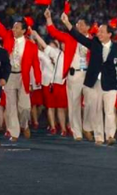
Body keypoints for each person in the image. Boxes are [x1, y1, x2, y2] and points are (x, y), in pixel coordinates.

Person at [61, 13, 117, 145]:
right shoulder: (95, 43)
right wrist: (67, 23)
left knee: (109, 111)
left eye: (102, 31)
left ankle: (110, 135)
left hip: (110, 83)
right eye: (98, 31)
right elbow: (78, 36)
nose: (98, 33)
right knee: (96, 110)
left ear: (109, 34)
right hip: (94, 82)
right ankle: (99, 137)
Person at [0, 1, 41, 141]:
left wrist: (37, 80)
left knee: (25, 107)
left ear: (23, 30)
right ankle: (14, 133)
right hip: (9, 76)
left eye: (16, 28)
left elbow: (36, 64)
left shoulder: (31, 46)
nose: (13, 29)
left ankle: (24, 125)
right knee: (10, 106)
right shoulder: (8, 36)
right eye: (13, 27)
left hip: (23, 76)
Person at [45, 8, 92, 141]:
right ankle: (77, 132)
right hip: (74, 75)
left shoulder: (94, 40)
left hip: (89, 75)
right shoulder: (70, 37)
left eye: (81, 24)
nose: (78, 26)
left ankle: (88, 127)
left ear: (88, 27)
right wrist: (49, 18)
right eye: (77, 24)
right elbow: (53, 32)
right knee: (73, 104)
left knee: (90, 103)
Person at [32, 31, 68, 135]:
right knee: (51, 106)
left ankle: (64, 128)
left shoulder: (70, 55)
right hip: (52, 84)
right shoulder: (57, 54)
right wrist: (35, 36)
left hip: (64, 83)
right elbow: (42, 46)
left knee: (61, 107)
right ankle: (53, 126)